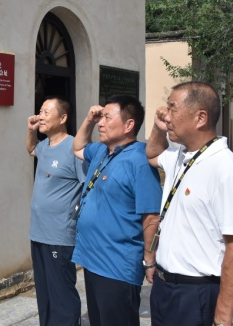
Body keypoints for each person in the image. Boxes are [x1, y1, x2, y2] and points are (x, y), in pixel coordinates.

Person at [145, 81, 233, 326]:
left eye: (173, 108)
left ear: (200, 117)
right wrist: (158, 129)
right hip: (164, 287)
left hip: (196, 294)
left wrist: (223, 317)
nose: (166, 115)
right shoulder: (179, 155)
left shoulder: (226, 170)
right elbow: (152, 154)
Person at [71, 95, 162, 326]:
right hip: (92, 260)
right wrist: (89, 120)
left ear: (129, 125)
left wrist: (149, 260)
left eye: (107, 118)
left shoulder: (140, 160)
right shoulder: (102, 151)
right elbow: (77, 147)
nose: (101, 123)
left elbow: (151, 215)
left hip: (117, 264)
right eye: (100, 118)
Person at [26, 97, 85, 326]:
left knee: (61, 293)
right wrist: (31, 130)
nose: (41, 116)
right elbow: (31, 148)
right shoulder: (44, 146)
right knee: (45, 293)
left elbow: (88, 188)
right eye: (40, 111)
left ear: (63, 118)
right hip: (38, 233)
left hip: (59, 235)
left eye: (46, 112)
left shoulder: (74, 148)